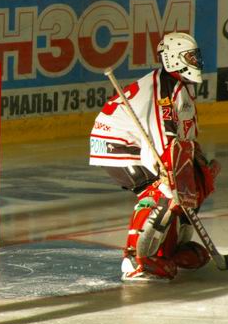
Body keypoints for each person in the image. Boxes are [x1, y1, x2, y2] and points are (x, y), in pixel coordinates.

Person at [90, 32, 219, 282]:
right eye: (190, 57)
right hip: (116, 144)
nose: (196, 61)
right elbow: (160, 141)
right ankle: (135, 260)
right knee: (161, 191)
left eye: (195, 56)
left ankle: (168, 249)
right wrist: (168, 180)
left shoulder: (180, 86)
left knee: (193, 184)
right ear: (173, 59)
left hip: (136, 144)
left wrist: (197, 166)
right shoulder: (163, 90)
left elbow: (184, 136)